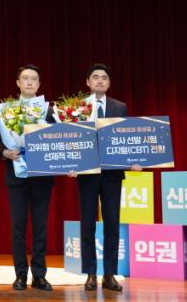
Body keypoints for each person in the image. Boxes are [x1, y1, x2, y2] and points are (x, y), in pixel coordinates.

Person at [0, 64, 54, 291]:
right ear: (18, 83)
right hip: (16, 174)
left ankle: (39, 275)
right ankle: (20, 275)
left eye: (33, 79)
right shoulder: (5, 111)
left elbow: (58, 139)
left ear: (39, 84)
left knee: (40, 227)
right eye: (25, 78)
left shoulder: (49, 110)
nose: (29, 82)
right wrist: (5, 152)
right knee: (18, 227)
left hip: (42, 176)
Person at [78, 63, 131, 292]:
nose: (99, 80)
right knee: (87, 223)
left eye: (104, 77)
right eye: (95, 77)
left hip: (112, 174)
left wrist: (133, 160)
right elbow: (74, 139)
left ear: (109, 83)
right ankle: (90, 273)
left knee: (112, 224)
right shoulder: (77, 107)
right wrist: (71, 163)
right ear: (88, 82)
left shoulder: (120, 107)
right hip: (87, 174)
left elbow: (125, 139)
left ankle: (109, 275)